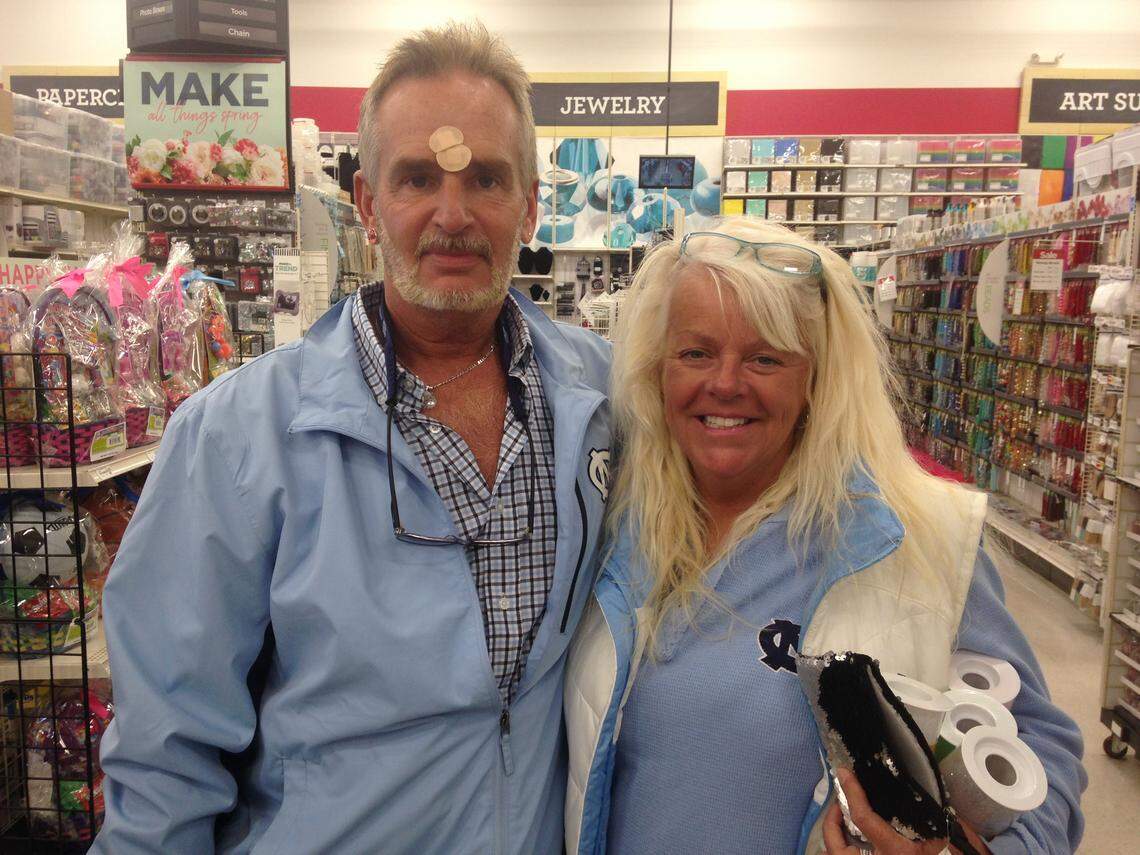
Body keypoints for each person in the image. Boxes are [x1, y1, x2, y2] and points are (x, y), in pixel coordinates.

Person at [94, 22, 612, 854]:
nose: (453, 215)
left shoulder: (607, 397)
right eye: (416, 179)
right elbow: (164, 760)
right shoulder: (235, 439)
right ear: (369, 203)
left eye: (485, 178)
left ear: (529, 205)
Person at [563, 219, 1085, 855]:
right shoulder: (616, 524)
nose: (724, 383)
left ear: (816, 380)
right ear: (656, 369)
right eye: (695, 352)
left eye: (765, 357)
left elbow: (1039, 752)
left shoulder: (914, 537)